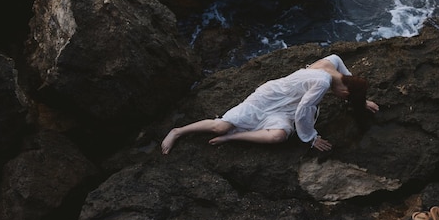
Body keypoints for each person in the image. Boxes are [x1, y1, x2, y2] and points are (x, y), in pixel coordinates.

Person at [161, 54, 379, 154]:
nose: (343, 100)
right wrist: (311, 138)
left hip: (286, 108)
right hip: (269, 97)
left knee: (278, 136)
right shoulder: (322, 83)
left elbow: (342, 65)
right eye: (347, 97)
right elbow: (305, 110)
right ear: (345, 90)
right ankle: (178, 131)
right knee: (221, 125)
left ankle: (233, 137)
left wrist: (361, 100)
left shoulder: (331, 63)